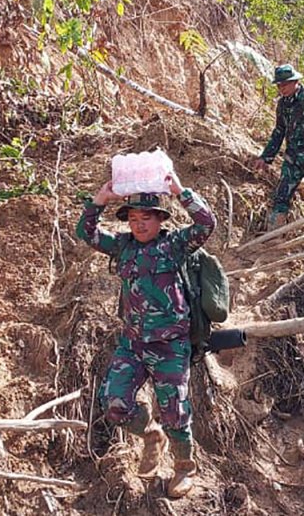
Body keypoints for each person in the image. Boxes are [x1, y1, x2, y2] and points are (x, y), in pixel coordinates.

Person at [75, 170, 216, 499]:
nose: (139, 224)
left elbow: (205, 224)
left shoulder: (174, 244)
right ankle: (151, 436)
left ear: (159, 219)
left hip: (170, 347)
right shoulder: (122, 246)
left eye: (146, 218)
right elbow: (86, 231)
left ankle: (184, 467)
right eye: (133, 218)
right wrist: (100, 200)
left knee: (175, 413)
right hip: (133, 344)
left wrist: (181, 191)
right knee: (114, 402)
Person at [250, 64, 304, 229]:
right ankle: (272, 238)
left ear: (296, 81)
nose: (282, 88)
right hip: (292, 158)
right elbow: (279, 131)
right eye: (279, 85)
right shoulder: (282, 104)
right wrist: (266, 157)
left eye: (285, 84)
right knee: (281, 196)